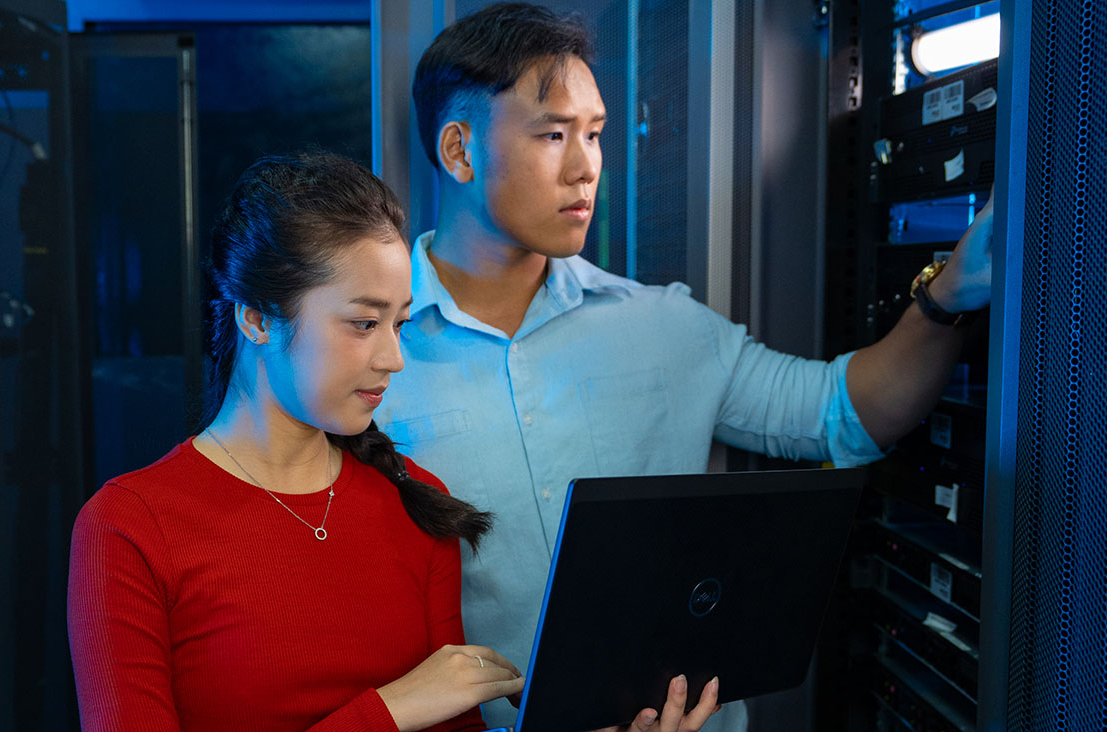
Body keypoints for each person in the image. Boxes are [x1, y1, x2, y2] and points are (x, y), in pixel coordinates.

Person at [373, 3, 994, 730]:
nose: (586, 167)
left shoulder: (663, 326)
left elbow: (844, 414)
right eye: (552, 134)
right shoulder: (369, 357)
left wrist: (948, 296)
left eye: (595, 134)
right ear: (459, 150)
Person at [67, 153, 530, 732]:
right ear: (257, 320)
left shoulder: (416, 501)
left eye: (399, 324)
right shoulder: (129, 526)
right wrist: (388, 712)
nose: (394, 358)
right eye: (364, 324)